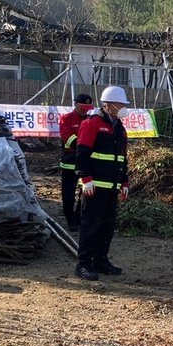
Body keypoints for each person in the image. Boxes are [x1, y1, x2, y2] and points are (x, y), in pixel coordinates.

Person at [74, 85, 130, 281]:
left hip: (111, 187)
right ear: (108, 105)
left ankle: (100, 260)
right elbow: (82, 153)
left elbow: (122, 158)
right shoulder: (92, 123)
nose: (123, 107)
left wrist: (124, 181)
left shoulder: (119, 128)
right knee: (90, 227)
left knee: (107, 227)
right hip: (94, 187)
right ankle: (83, 264)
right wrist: (85, 178)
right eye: (120, 104)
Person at [59, 93, 94, 231]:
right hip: (70, 162)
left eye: (87, 108)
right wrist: (84, 147)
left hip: (85, 162)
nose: (85, 110)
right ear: (76, 105)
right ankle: (69, 218)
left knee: (85, 191)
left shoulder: (90, 120)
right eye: (83, 107)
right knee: (68, 192)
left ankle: (79, 216)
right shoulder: (66, 119)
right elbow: (68, 138)